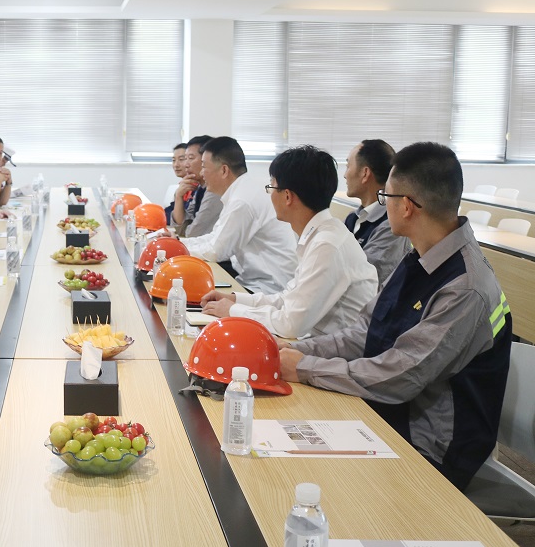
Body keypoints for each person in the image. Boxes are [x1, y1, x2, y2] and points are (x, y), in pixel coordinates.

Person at [279, 142, 512, 490]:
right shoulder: (420, 257)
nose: (381, 203)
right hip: (386, 413)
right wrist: (296, 350)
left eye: (385, 195)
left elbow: (401, 375)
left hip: (430, 448)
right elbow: (364, 332)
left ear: (405, 206)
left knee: (305, 476)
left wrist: (305, 368)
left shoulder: (466, 287)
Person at [200, 146, 377, 338]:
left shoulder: (327, 244)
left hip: (330, 349)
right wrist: (236, 300)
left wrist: (232, 310)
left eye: (271, 187)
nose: (269, 195)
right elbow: (287, 299)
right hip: (315, 340)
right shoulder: (320, 233)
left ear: (287, 196)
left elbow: (291, 324)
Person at [179, 136, 298, 294]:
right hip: (254, 280)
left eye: (204, 167)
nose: (202, 173)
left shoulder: (242, 200)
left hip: (266, 289)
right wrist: (179, 243)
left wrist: (177, 249)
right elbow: (215, 237)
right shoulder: (241, 190)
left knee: (190, 291)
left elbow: (216, 251)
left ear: (224, 170)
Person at [343, 139, 412, 286]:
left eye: (348, 166)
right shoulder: (352, 219)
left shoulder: (392, 226)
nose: (344, 175)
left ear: (365, 173)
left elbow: (362, 280)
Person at [169, 135, 222, 237]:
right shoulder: (200, 188)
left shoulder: (214, 191)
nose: (186, 164)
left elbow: (193, 233)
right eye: (185, 159)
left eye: (190, 158)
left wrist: (181, 230)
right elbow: (181, 225)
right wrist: (178, 196)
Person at [163, 142, 188, 213]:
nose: (176, 165)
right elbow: (172, 209)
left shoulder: (194, 187)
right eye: (174, 160)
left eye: (181, 159)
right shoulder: (183, 184)